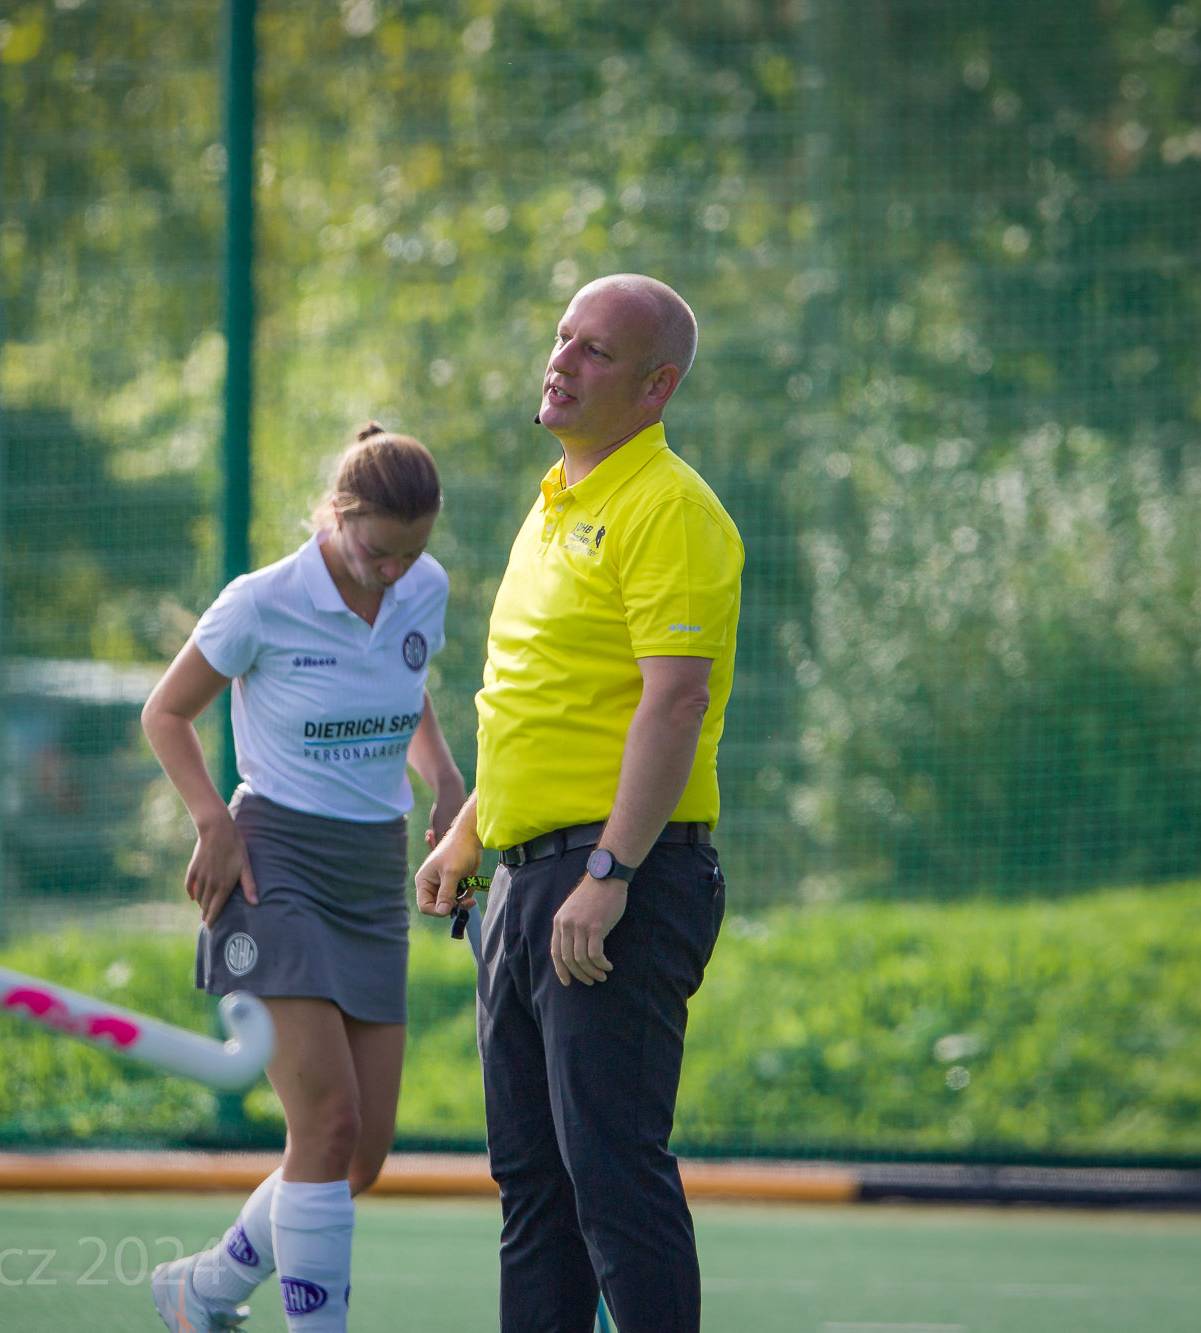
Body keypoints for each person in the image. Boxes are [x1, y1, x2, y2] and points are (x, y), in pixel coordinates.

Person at [415, 274, 743, 1333]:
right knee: (533, 1186)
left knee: (611, 1175)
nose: (560, 362)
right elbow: (543, 699)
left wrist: (609, 870)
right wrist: (472, 832)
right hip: (523, 881)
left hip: (611, 879)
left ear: (656, 387)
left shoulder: (669, 508)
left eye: (595, 350)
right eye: (562, 337)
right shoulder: (554, 499)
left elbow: (675, 700)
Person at [142, 424, 463, 1333]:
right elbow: (166, 713)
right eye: (376, 551)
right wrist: (212, 819)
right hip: (274, 864)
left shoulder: (423, 587)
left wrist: (443, 775)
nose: (392, 572)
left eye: (410, 555)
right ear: (337, 514)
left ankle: (202, 1289)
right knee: (325, 1124)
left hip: (373, 872)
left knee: (358, 1155)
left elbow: (403, 682)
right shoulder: (261, 602)